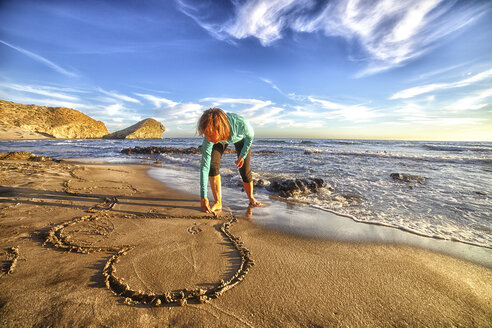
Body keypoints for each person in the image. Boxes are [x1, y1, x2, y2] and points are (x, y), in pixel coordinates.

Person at [197, 107, 261, 214]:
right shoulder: (209, 137)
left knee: (244, 170)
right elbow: (204, 166)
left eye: (209, 134)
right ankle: (218, 202)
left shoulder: (242, 125)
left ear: (219, 129)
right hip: (219, 137)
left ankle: (251, 198)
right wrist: (203, 196)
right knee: (212, 166)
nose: (207, 138)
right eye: (205, 134)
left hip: (241, 139)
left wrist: (242, 155)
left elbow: (250, 137)